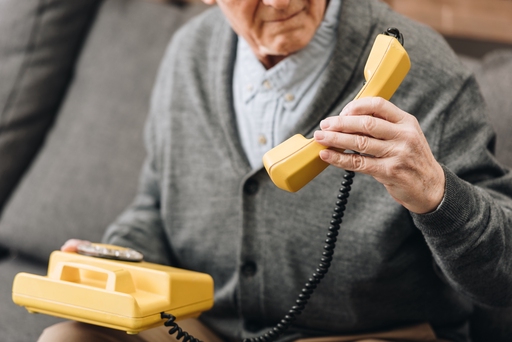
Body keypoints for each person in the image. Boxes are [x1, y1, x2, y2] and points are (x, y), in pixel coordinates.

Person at [39, 0, 512, 341]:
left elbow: (504, 277)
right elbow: (155, 206)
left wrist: (436, 193)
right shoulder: (188, 54)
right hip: (211, 328)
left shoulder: (429, 73)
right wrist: (116, 257)